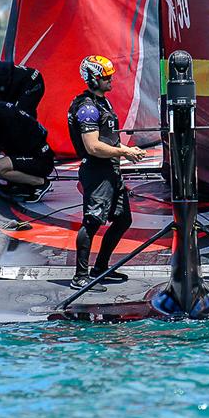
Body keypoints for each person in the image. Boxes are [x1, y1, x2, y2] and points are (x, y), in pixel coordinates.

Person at [67, 55, 146, 292]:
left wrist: (123, 152)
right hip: (97, 172)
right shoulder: (87, 108)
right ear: (92, 78)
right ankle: (80, 277)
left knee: (123, 219)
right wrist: (125, 153)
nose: (110, 80)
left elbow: (107, 137)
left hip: (111, 169)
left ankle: (100, 269)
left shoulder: (103, 103)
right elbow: (93, 146)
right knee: (92, 222)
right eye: (105, 77)